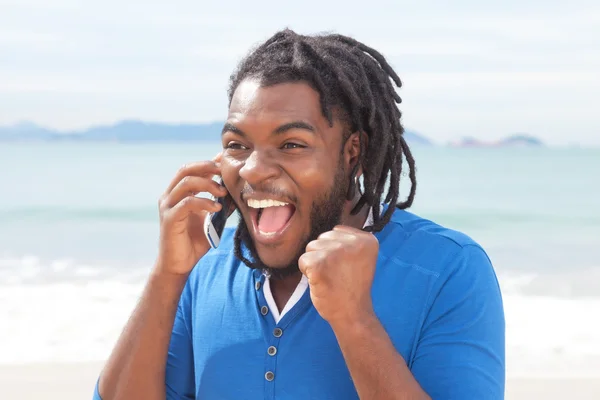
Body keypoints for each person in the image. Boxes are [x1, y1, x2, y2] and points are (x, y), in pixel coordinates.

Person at [93, 29, 505, 400]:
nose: (252, 168)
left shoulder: (448, 269)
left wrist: (354, 321)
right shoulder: (205, 272)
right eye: (237, 145)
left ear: (352, 153)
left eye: (291, 144)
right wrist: (168, 275)